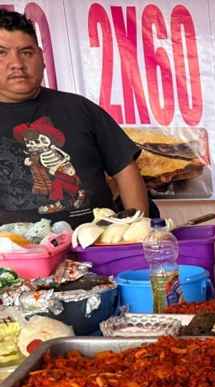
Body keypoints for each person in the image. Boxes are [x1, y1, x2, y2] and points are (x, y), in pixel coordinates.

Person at [0, 9, 147, 228]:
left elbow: (125, 168)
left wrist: (138, 233)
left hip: (96, 246)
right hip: (14, 257)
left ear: (42, 57)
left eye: (26, 52)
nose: (17, 64)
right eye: (2, 53)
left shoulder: (79, 108)